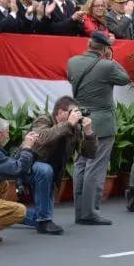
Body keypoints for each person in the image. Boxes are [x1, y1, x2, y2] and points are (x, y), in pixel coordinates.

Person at [67, 31, 130, 225]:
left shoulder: (73, 62)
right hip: (101, 123)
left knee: (80, 166)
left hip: (79, 120)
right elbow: (125, 78)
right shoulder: (107, 65)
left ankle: (80, 212)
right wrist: (111, 58)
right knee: (95, 167)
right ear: (104, 49)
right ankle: (90, 212)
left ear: (88, 44)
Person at [25, 96, 96, 236]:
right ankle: (44, 221)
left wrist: (88, 133)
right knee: (45, 170)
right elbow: (42, 138)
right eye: (73, 111)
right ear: (61, 112)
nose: (76, 115)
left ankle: (16, 215)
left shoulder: (74, 129)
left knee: (37, 217)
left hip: (51, 175)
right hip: (29, 167)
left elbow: (89, 154)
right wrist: (68, 125)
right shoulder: (44, 120)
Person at [0, 118, 37, 242]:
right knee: (19, 211)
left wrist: (23, 147)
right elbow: (18, 169)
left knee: (2, 184)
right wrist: (27, 148)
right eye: (7, 132)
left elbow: (5, 165)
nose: (8, 135)